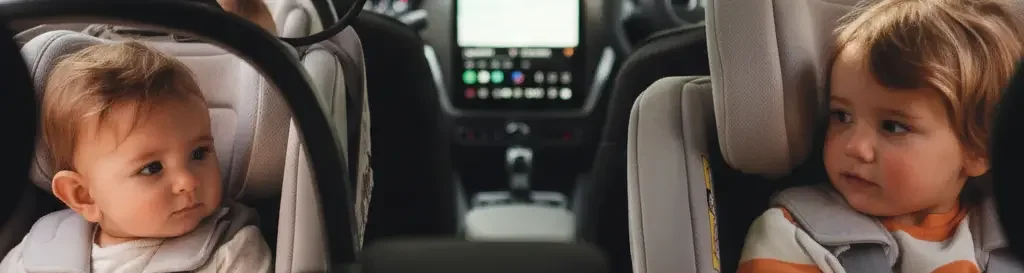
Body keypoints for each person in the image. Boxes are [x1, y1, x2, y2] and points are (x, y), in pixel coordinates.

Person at [737, 0, 1024, 272]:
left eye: (893, 126)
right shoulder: (794, 235)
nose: (855, 147)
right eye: (841, 116)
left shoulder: (1006, 234)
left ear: (978, 149)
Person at [0, 41, 272, 273]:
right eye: (152, 168)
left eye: (199, 153)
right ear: (83, 195)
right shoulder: (37, 254)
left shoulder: (231, 250)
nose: (187, 181)